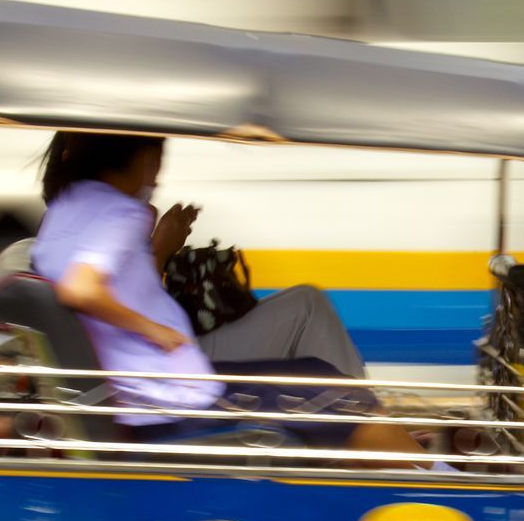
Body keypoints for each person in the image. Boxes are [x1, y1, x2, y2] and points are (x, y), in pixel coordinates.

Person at [29, 132, 375, 434]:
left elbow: (124, 292)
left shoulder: (64, 214)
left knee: (305, 307)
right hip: (162, 371)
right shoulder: (119, 212)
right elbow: (87, 290)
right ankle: (366, 428)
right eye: (157, 159)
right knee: (308, 318)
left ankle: (367, 424)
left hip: (141, 368)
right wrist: (160, 269)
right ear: (144, 159)